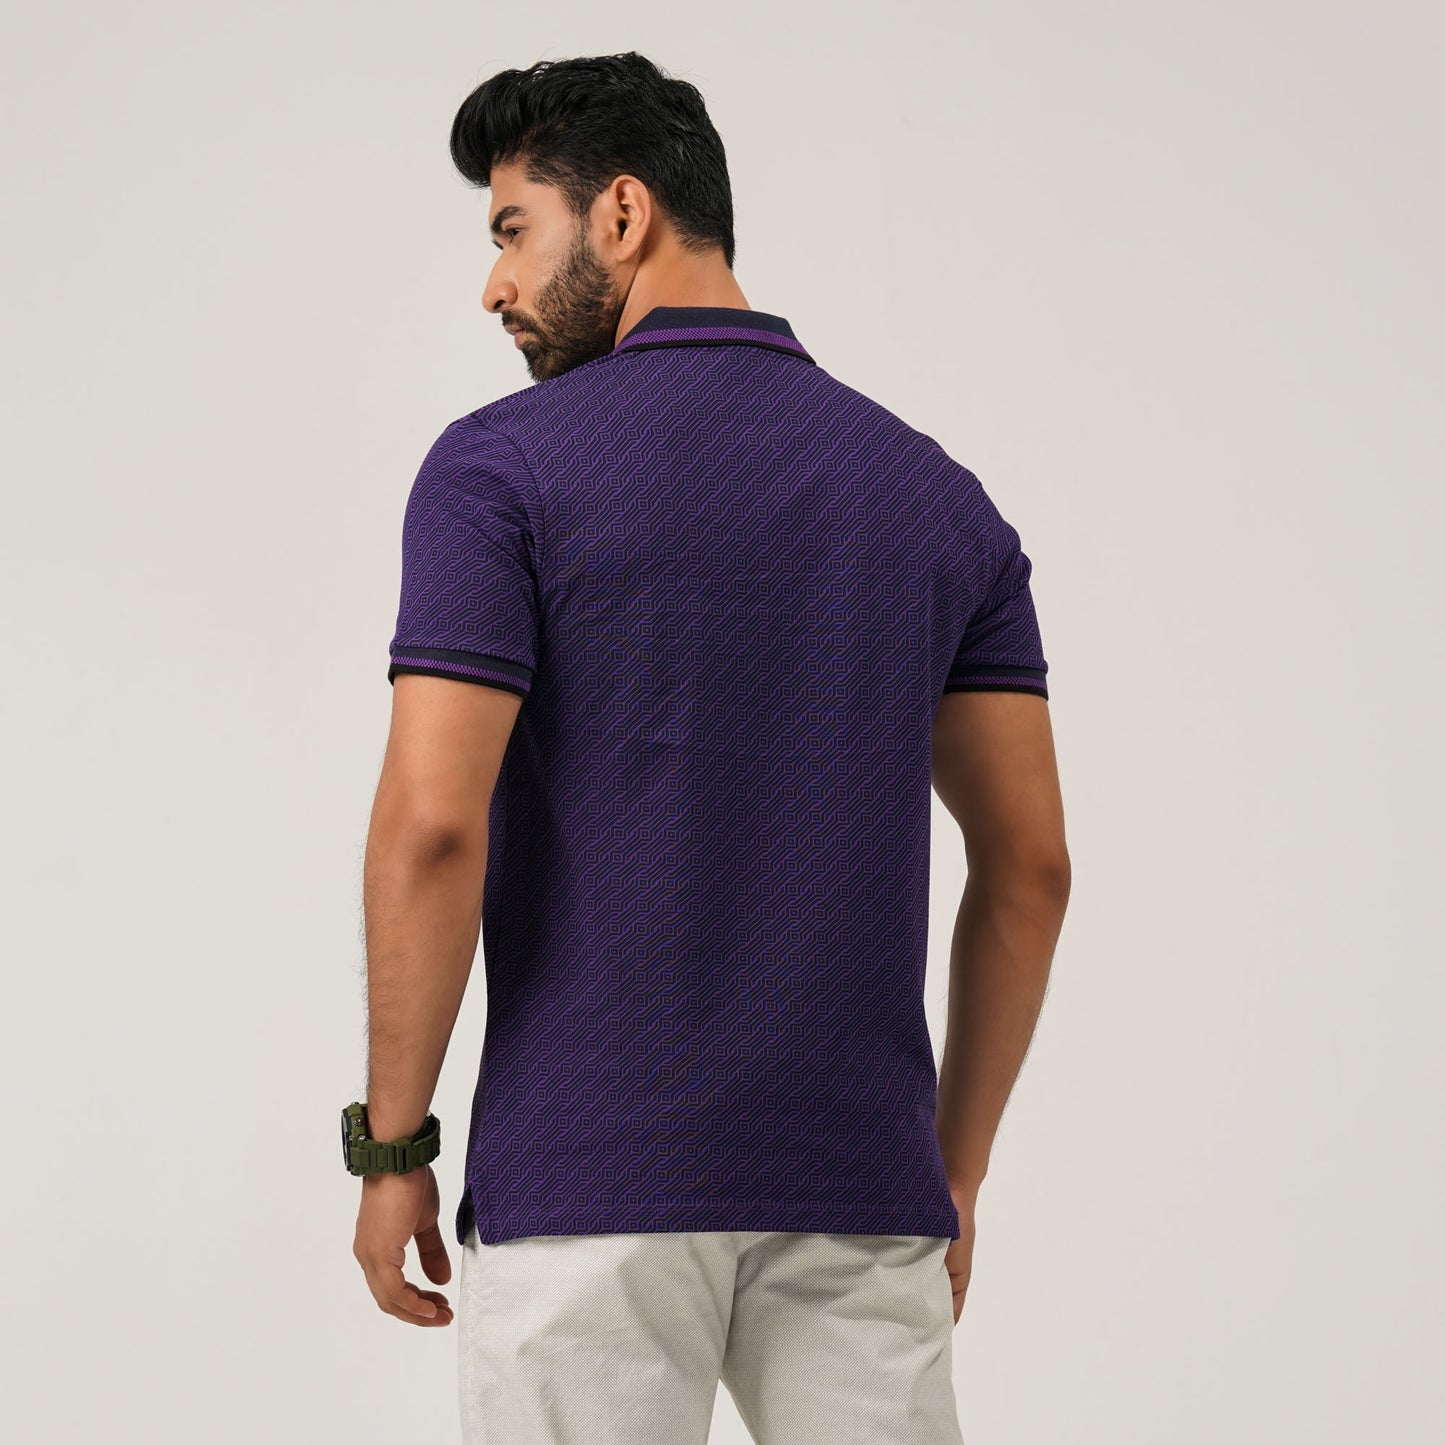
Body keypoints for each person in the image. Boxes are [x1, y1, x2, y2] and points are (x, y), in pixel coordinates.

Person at [349, 49, 1070, 1445]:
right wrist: (953, 1171)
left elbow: (433, 824)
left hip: (587, 1185)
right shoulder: (935, 498)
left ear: (622, 214)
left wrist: (390, 1147)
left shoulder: (499, 471)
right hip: (857, 1185)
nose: (493, 283)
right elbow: (1030, 864)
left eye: (512, 229)